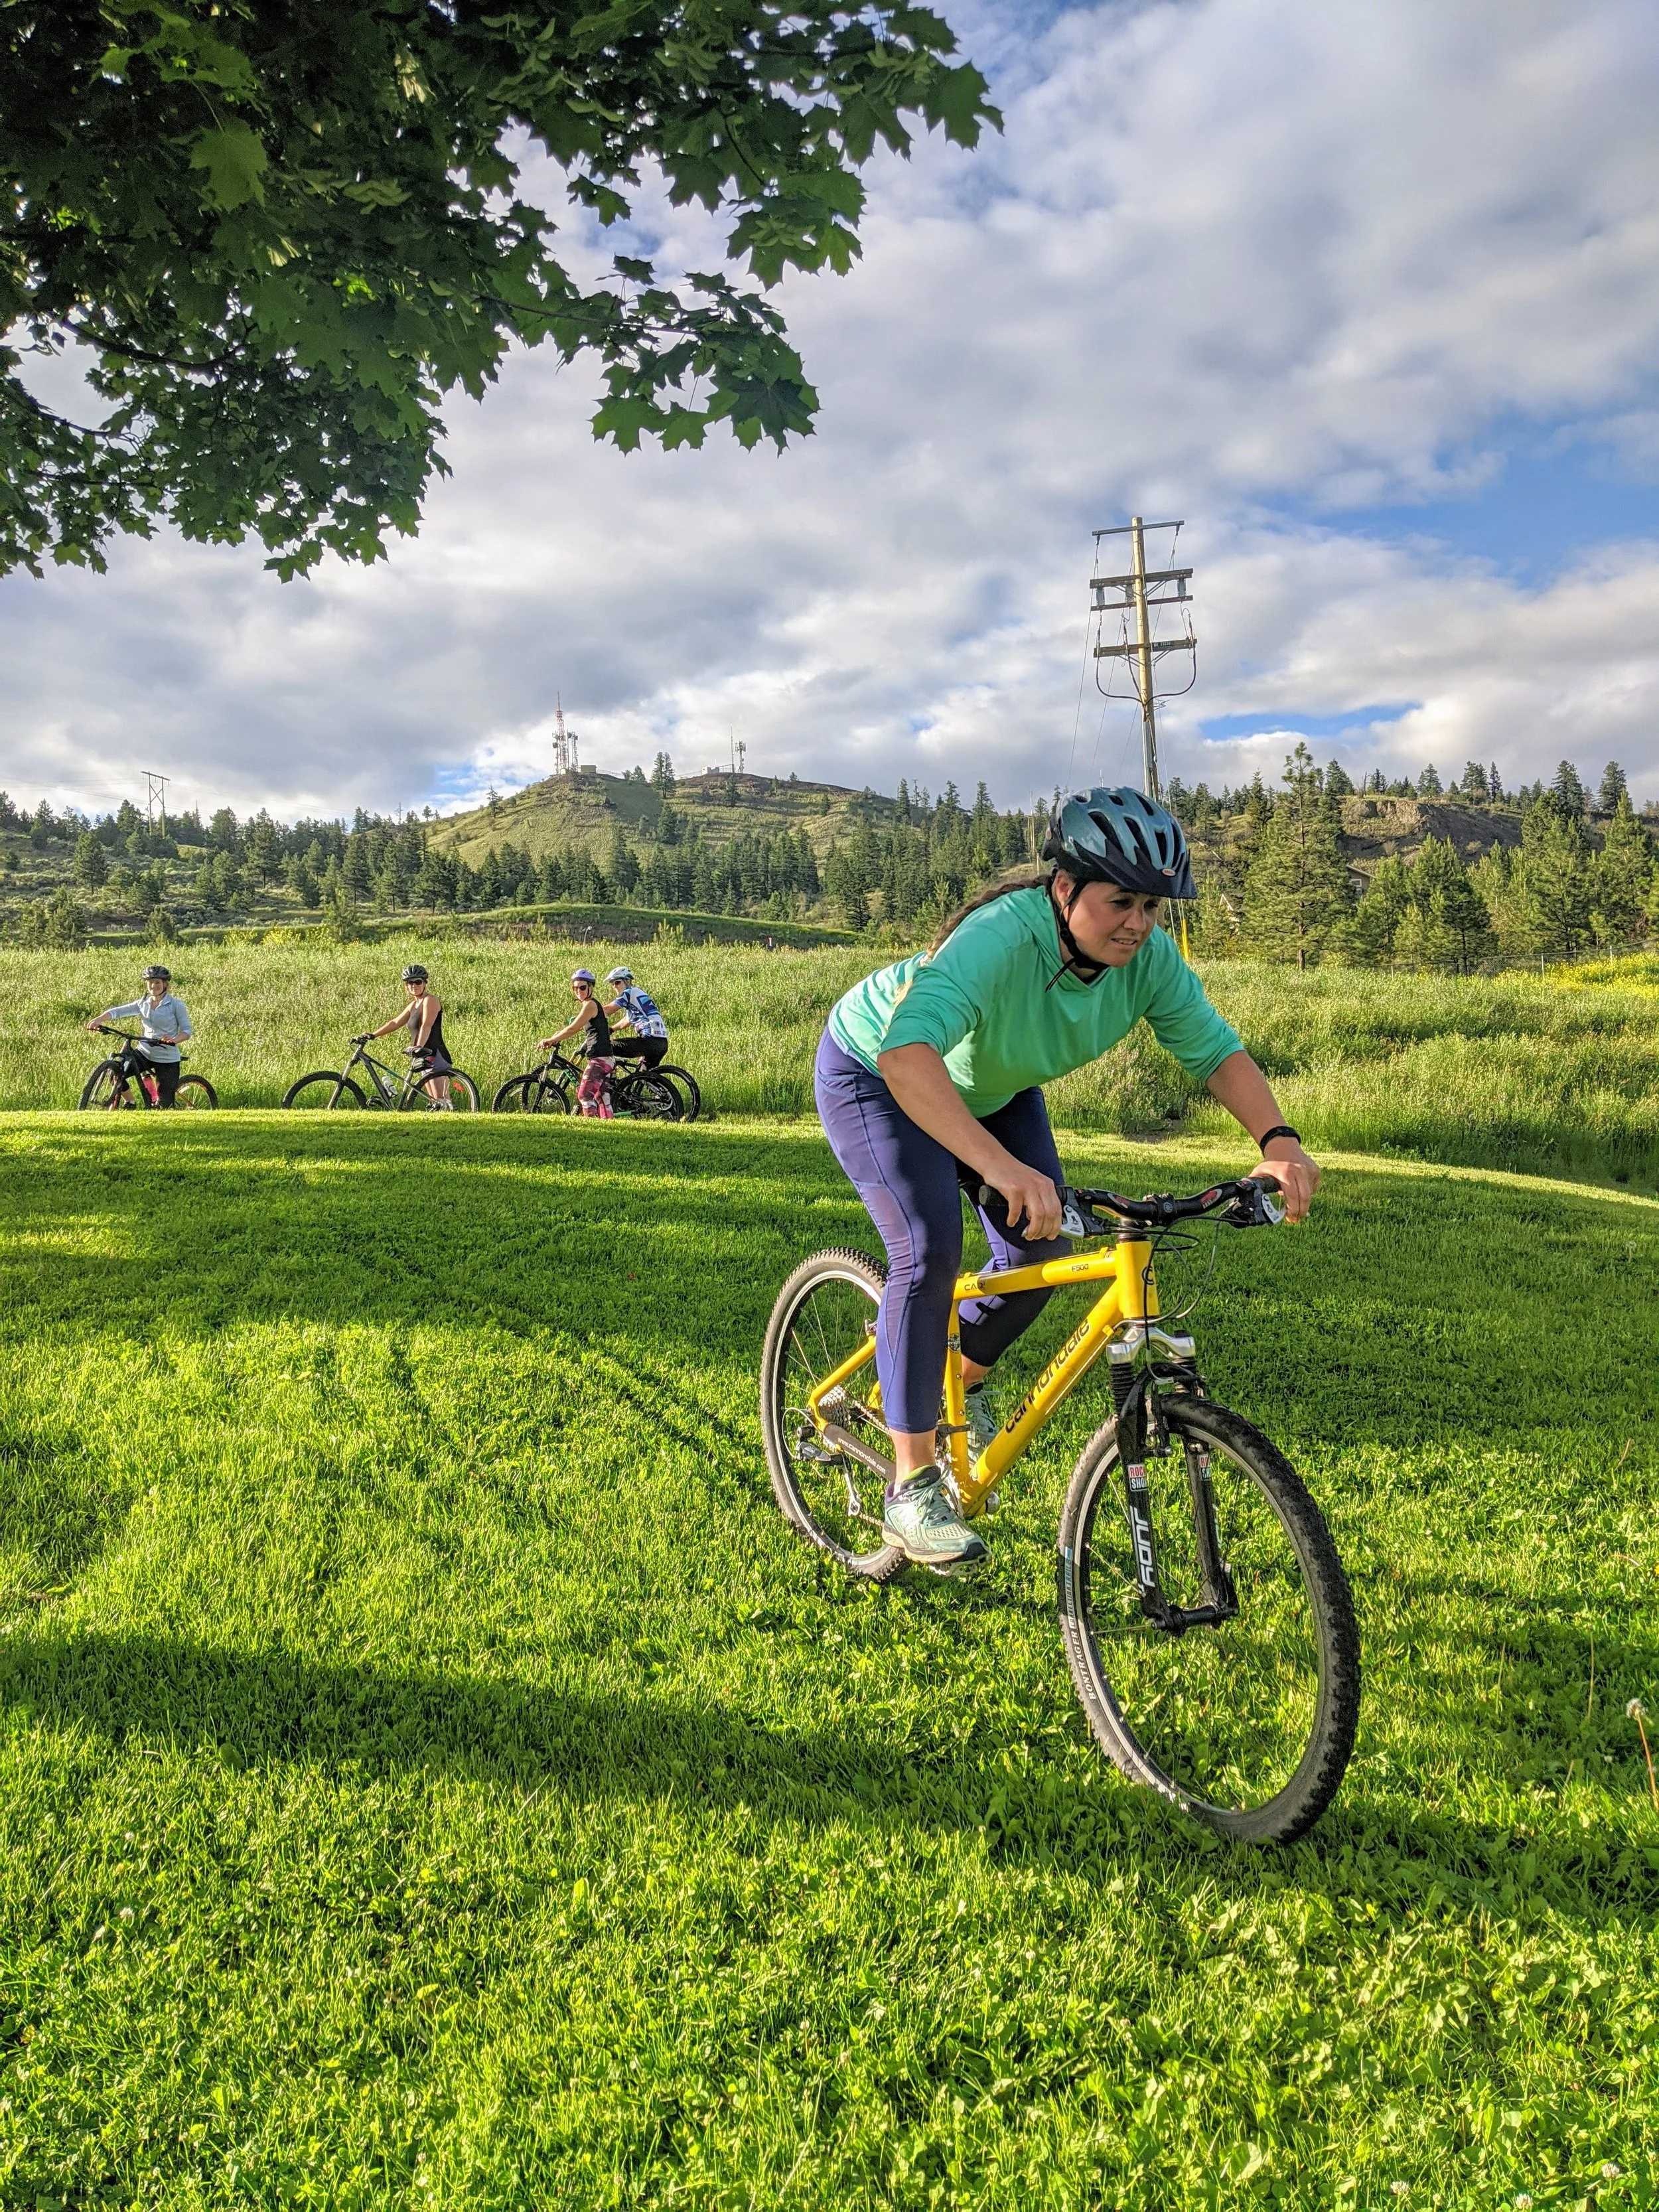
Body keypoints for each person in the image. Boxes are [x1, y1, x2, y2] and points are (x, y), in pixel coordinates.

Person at [815, 784, 1321, 1570]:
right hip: (876, 1071)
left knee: (1037, 1255)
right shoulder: (999, 939)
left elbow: (1214, 1051)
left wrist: (1279, 1139)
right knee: (927, 1247)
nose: (1140, 924)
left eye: (1153, 907)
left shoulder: (1147, 960)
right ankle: (910, 1488)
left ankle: (961, 1374)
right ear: (1063, 888)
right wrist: (995, 1165)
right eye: (1122, 901)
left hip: (993, 1085)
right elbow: (905, 1056)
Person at [88, 964, 193, 1107]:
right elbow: (118, 1012)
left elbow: (187, 1031)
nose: (153, 986)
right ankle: (130, 1102)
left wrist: (174, 1040)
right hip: (145, 1053)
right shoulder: (143, 1003)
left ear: (165, 984)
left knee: (164, 1106)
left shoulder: (176, 1005)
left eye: (157, 982)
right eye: (150, 982)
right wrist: (99, 1020)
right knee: (116, 1073)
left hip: (167, 1058)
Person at [362, 964, 453, 1106]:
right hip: (423, 1055)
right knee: (435, 1103)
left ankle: (455, 1124)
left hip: (435, 1054)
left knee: (443, 1101)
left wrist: (418, 1046)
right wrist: (373, 1035)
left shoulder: (431, 1000)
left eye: (418, 982)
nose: (414, 985)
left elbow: (426, 1025)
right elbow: (395, 1022)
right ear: (406, 986)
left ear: (425, 983)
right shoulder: (413, 1005)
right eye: (410, 982)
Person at [542, 968, 615, 1117]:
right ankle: (609, 1128)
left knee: (585, 1095)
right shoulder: (592, 1005)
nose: (578, 991)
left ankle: (591, 1128)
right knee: (602, 1099)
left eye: (582, 987)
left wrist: (551, 1040)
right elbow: (576, 1027)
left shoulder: (590, 1005)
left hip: (600, 1059)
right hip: (606, 1058)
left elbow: (573, 1028)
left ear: (591, 988)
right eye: (575, 988)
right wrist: (555, 1036)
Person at [601, 966, 670, 1070]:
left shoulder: (629, 993)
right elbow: (627, 1021)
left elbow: (608, 1010)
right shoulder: (637, 994)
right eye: (613, 984)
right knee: (646, 1078)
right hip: (661, 1043)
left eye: (617, 982)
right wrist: (611, 1030)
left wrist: (586, 1015)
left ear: (628, 981)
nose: (614, 986)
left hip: (648, 1040)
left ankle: (609, 1078)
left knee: (604, 1047)